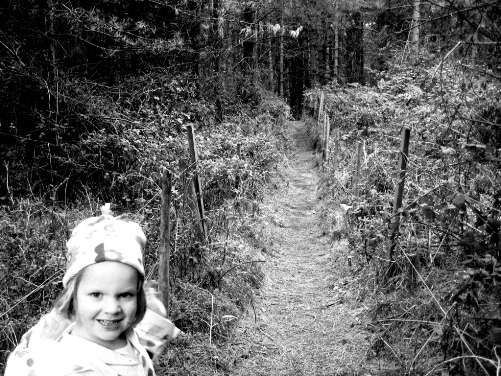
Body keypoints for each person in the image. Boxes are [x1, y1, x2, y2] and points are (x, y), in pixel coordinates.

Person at [4, 204, 180, 376]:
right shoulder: (67, 367)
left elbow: (136, 355)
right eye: (96, 294)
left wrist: (154, 323)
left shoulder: (120, 334)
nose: (112, 308)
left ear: (138, 294)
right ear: (72, 296)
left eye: (125, 295)